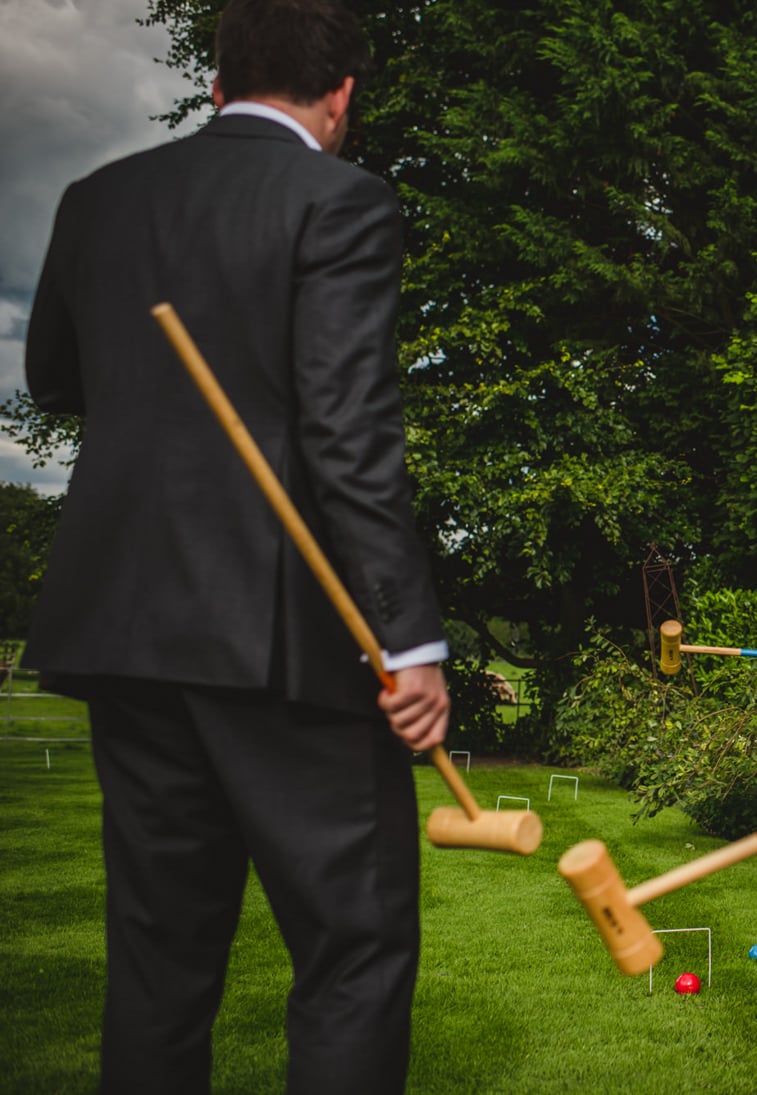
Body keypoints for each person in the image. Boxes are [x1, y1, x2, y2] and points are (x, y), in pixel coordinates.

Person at [22, 1, 450, 1091]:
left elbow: (55, 384)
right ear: (341, 95)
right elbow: (347, 431)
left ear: (216, 82)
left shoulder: (96, 199)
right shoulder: (340, 200)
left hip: (128, 629)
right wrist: (409, 639)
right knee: (352, 950)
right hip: (286, 638)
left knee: (159, 963)